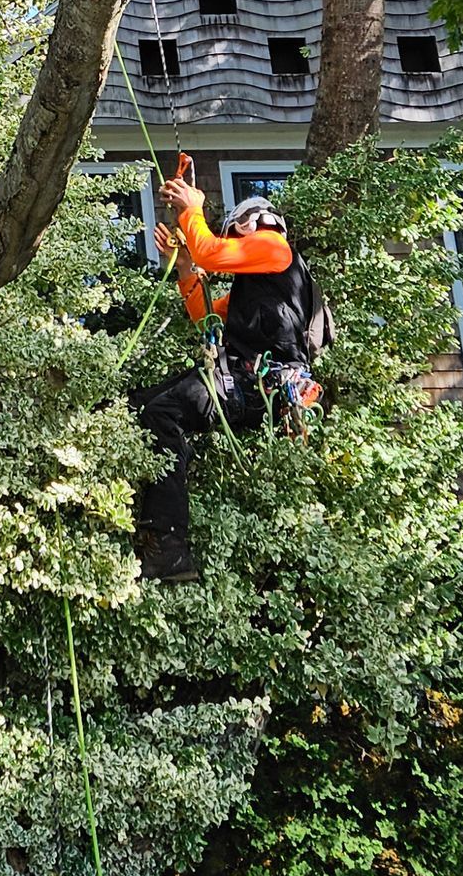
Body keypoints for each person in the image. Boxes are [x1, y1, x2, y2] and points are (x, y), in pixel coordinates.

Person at [132, 166, 327, 583]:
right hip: (242, 382)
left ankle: (168, 547)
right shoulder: (255, 287)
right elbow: (202, 315)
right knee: (144, 406)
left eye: (234, 235)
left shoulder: (275, 247)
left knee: (161, 414)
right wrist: (184, 266)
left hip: (256, 381)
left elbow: (213, 253)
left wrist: (192, 210)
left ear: (248, 225)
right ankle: (152, 525)